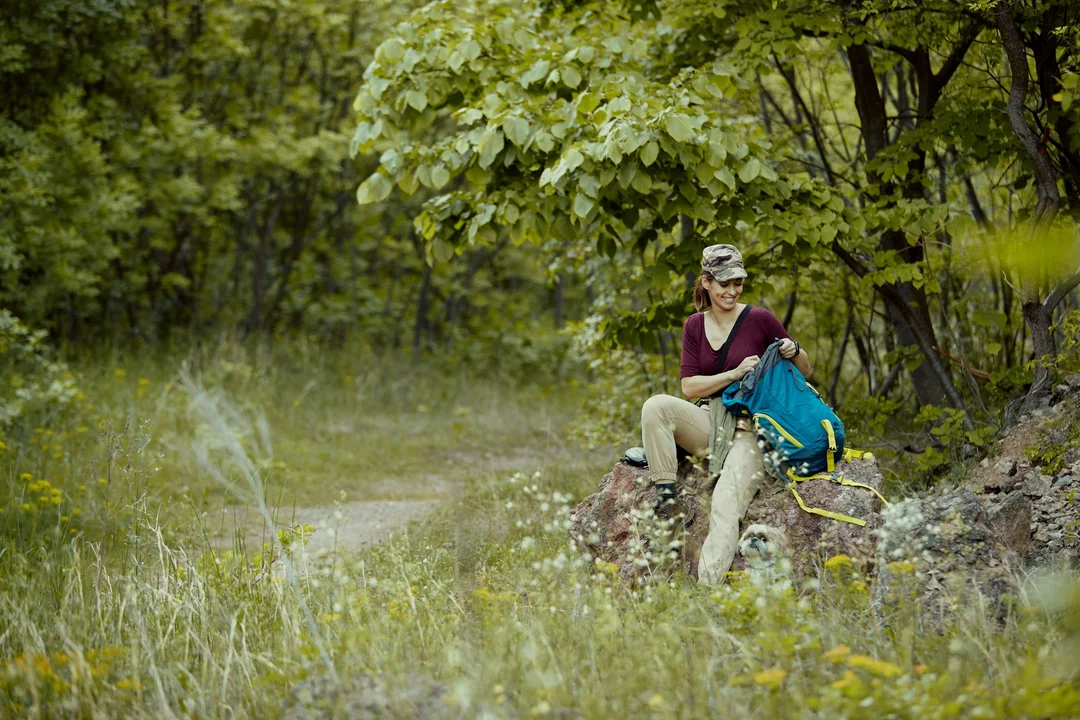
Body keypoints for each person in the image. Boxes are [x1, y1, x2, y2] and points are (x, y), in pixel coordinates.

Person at [639, 244, 811, 584]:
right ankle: (667, 501)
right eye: (724, 283)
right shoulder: (694, 326)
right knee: (655, 406)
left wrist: (795, 350)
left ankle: (706, 590)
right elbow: (689, 387)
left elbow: (804, 370)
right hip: (709, 423)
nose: (732, 290)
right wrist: (733, 374)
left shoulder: (759, 319)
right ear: (706, 282)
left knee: (724, 502)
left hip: (750, 430)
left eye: (738, 283)